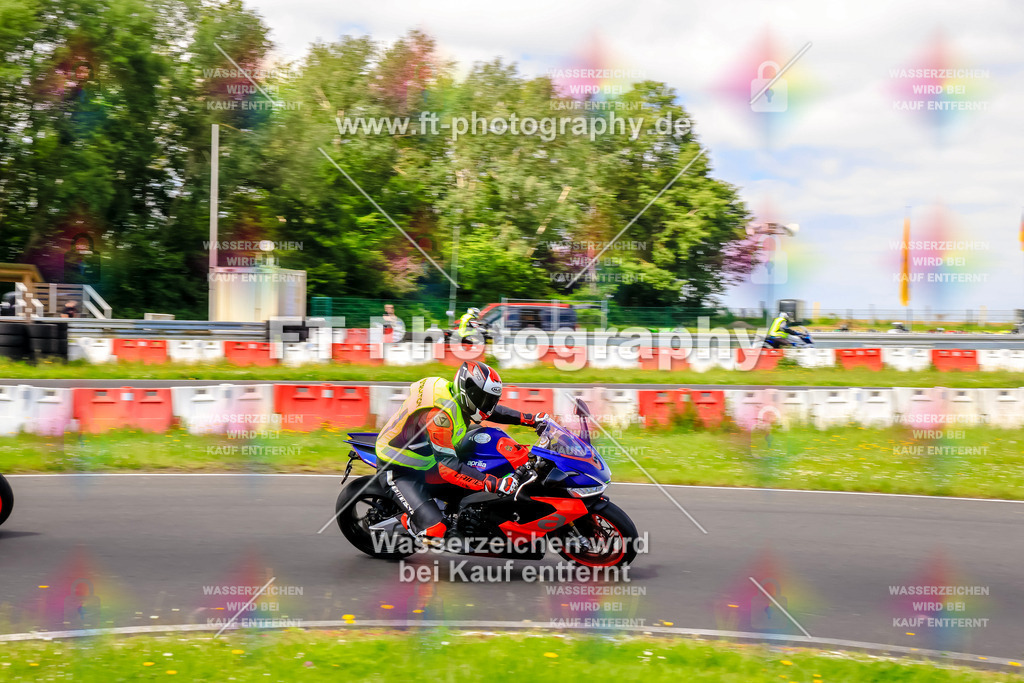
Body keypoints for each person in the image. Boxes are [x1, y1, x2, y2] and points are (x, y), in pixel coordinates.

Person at [375, 361, 549, 539]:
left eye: (490, 400)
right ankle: (411, 522)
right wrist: (495, 484)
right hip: (400, 468)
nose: (488, 405)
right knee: (436, 530)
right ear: (469, 392)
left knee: (489, 441)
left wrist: (531, 419)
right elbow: (448, 467)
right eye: (484, 399)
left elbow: (489, 411)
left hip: (429, 455)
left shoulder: (453, 395)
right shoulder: (440, 416)